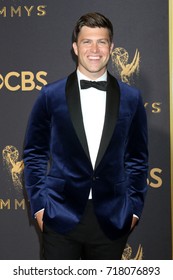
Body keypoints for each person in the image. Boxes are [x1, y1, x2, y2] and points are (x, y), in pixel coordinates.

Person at [23, 12, 148, 260]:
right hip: (60, 215)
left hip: (112, 218)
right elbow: (34, 153)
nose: (94, 49)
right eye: (86, 41)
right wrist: (39, 207)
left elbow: (138, 159)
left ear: (111, 47)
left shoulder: (131, 98)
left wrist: (133, 210)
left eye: (101, 41)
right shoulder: (51, 94)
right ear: (75, 47)